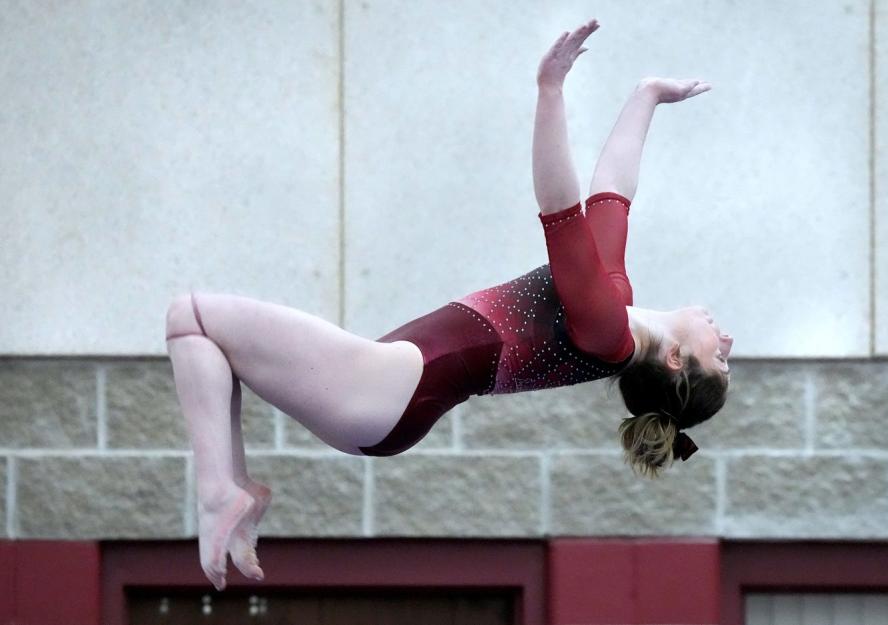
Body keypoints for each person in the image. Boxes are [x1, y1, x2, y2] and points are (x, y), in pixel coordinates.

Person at [165, 18, 732, 591]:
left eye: (722, 359)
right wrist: (648, 95)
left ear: (678, 361)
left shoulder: (608, 331)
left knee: (190, 318)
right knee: (203, 336)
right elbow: (613, 188)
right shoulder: (617, 305)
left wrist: (550, 90)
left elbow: (559, 207)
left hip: (380, 391)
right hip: (383, 397)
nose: (727, 340)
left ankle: (218, 494)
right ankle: (232, 490)